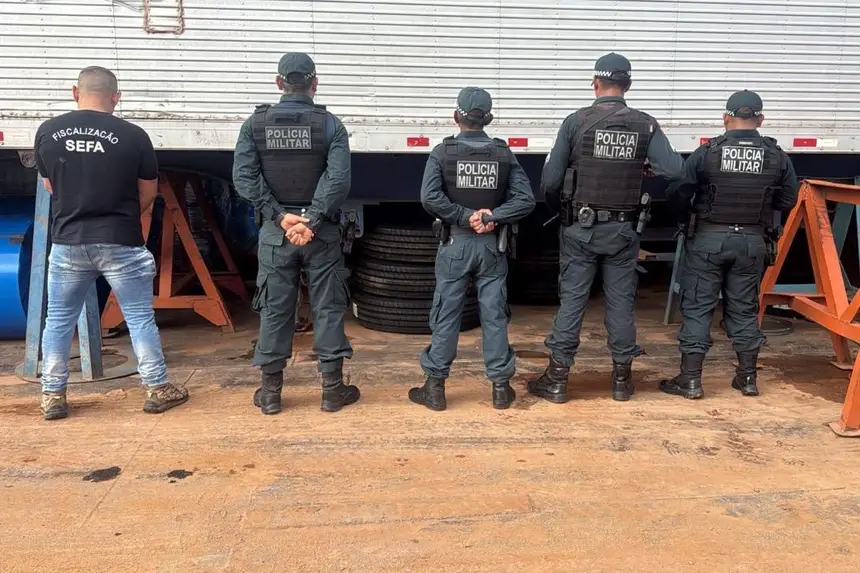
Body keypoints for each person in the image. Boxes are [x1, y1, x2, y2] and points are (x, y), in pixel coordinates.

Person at [33, 66, 188, 420]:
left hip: (69, 240)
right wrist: (125, 218)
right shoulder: (133, 136)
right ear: (116, 97)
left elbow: (50, 185)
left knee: (58, 320)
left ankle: (53, 396)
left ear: (76, 92)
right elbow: (148, 193)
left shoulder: (48, 132)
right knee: (139, 317)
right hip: (120, 239)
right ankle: (157, 388)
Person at [529, 52, 684, 404]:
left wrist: (562, 212)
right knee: (620, 303)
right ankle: (622, 382)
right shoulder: (646, 124)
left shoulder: (576, 122)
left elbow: (550, 182)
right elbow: (676, 170)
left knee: (573, 302)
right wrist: (644, 165)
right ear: (628, 85)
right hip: (623, 231)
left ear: (595, 83)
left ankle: (557, 380)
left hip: (579, 229)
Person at [232, 52, 357, 415]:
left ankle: (271, 395)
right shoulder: (331, 125)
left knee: (275, 310)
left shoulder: (255, 125)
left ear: (278, 83)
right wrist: (312, 219)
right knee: (328, 308)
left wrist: (279, 215)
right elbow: (338, 180)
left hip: (277, 233)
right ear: (314, 83)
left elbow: (244, 177)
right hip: (321, 234)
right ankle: (332, 392)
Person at [660, 90, 799, 399]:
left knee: (698, 307)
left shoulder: (708, 152)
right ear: (760, 119)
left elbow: (679, 191)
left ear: (725, 118)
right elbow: (788, 198)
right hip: (751, 242)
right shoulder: (776, 155)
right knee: (744, 309)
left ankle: (690, 380)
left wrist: (687, 219)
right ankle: (747, 379)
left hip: (708, 239)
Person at [411, 87, 536, 411]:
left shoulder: (443, 152)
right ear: (488, 119)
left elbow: (430, 198)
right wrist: (491, 216)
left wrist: (465, 216)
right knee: (494, 315)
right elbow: (525, 200)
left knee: (446, 313)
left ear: (456, 116)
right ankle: (500, 388)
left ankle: (435, 388)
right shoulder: (503, 153)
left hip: (455, 245)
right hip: (492, 247)